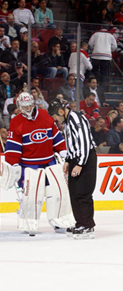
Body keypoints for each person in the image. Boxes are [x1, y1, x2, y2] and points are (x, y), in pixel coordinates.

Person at [2, 93, 74, 234]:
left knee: (58, 191)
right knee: (31, 195)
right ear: (19, 107)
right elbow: (13, 146)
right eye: (24, 106)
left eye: (29, 105)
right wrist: (13, 164)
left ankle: (59, 220)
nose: (28, 108)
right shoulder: (16, 122)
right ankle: (28, 222)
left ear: (34, 104)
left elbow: (54, 134)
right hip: (29, 165)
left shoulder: (44, 115)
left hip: (49, 161)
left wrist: (62, 150)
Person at [48, 97, 97, 239]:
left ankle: (88, 226)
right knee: (74, 192)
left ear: (61, 111)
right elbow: (72, 143)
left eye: (56, 117)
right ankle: (80, 222)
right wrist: (68, 160)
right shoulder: (68, 121)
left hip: (86, 158)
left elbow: (84, 142)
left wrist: (80, 164)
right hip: (77, 159)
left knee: (83, 193)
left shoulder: (75, 118)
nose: (56, 120)